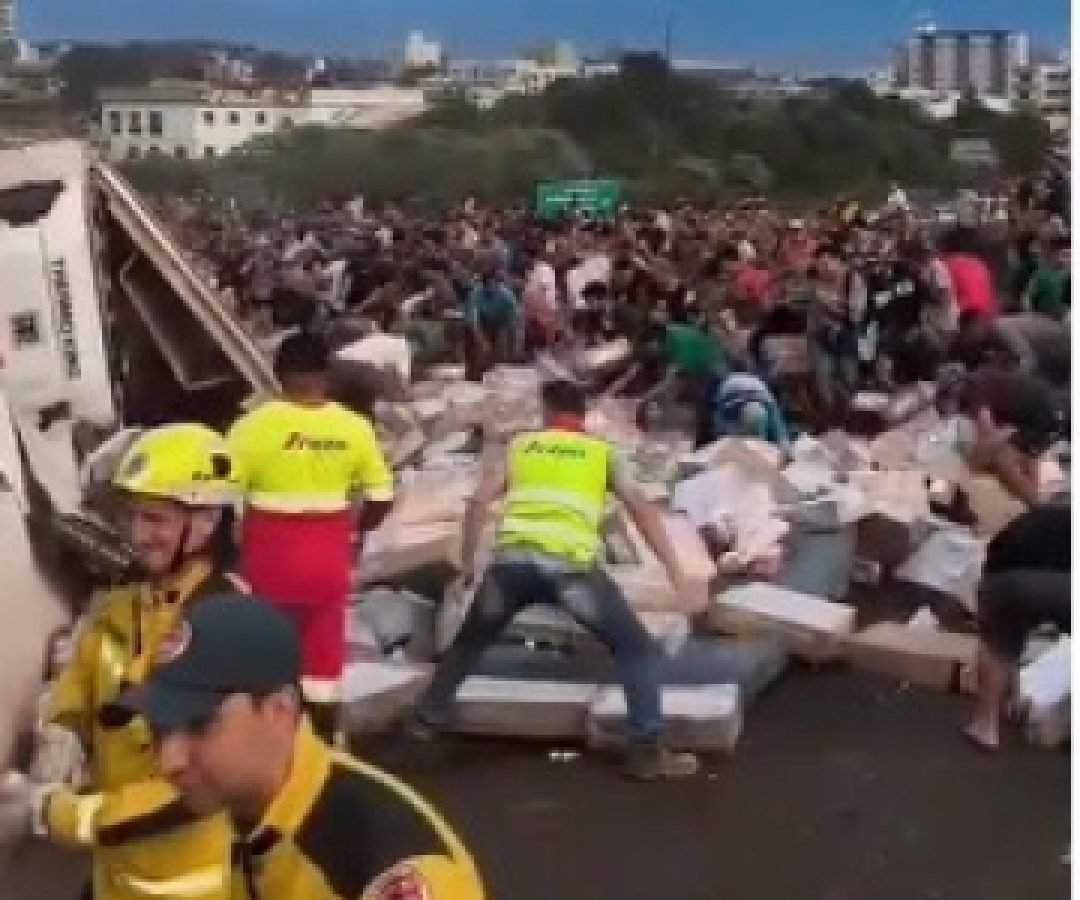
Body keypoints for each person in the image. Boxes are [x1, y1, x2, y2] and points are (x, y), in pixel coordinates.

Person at [412, 379, 703, 780]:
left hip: (511, 567)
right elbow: (641, 509)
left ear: (547, 412)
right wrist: (674, 568)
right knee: (635, 649)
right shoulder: (602, 453)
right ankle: (647, 750)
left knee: (468, 643)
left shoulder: (522, 447)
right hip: (571, 572)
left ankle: (424, 725)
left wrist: (467, 566)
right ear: (582, 416)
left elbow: (479, 501)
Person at [0, 424, 242, 900]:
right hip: (118, 871)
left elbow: (194, 787)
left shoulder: (226, 629)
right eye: (133, 517)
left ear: (207, 523)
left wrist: (50, 812)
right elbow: (85, 674)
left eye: (156, 519)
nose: (138, 534)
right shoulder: (125, 603)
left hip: (188, 883)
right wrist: (62, 731)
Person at [114, 595, 486, 900]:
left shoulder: (391, 861)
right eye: (161, 728)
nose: (170, 761)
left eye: (200, 724)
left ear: (280, 709)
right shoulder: (248, 810)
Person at [228, 333, 394, 743]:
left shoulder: (249, 428)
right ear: (327, 376)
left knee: (264, 660)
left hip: (266, 567)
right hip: (327, 564)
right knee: (322, 665)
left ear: (279, 375)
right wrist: (357, 532)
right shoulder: (354, 428)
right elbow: (381, 497)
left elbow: (221, 501)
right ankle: (322, 748)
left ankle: (267, 746)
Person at [964, 503, 1070, 751]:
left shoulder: (1025, 523)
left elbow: (991, 565)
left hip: (1007, 577)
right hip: (1068, 583)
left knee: (999, 645)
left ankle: (986, 727)